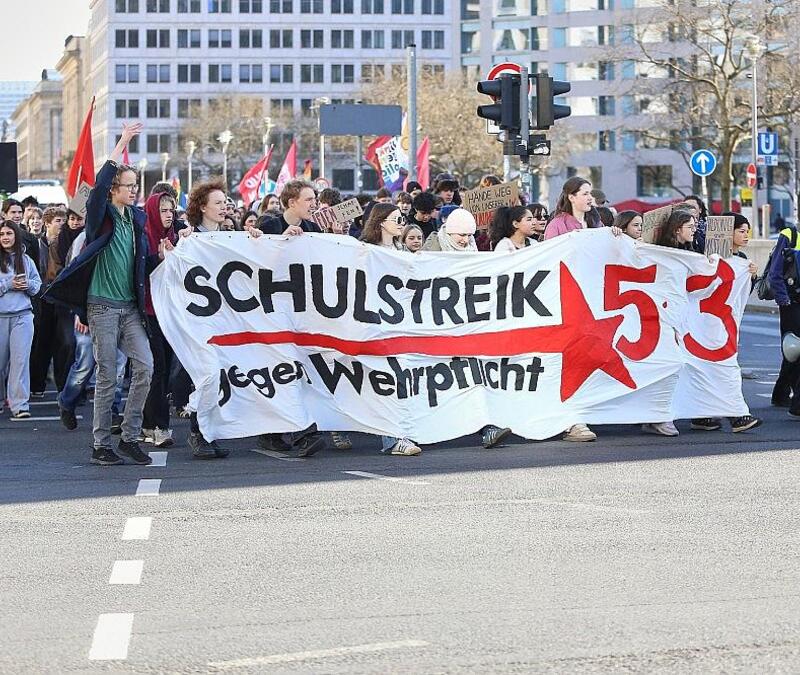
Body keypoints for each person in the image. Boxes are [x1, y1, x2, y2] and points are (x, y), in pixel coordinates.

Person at [43, 122, 157, 467]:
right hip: (102, 308)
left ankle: (130, 437)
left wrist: (161, 256)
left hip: (130, 308)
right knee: (106, 373)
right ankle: (100, 444)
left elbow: (143, 262)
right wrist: (121, 141)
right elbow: (96, 188)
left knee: (145, 367)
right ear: (113, 191)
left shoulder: (136, 219)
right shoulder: (101, 217)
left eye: (136, 186)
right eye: (128, 186)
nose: (134, 191)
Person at [141, 192, 179, 448]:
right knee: (158, 368)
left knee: (165, 370)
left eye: (171, 210)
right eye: (163, 210)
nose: (168, 215)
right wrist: (158, 258)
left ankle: (147, 421)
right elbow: (140, 271)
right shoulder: (143, 237)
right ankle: (159, 426)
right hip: (149, 312)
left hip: (171, 312)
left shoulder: (176, 236)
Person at [0, 221, 42, 419]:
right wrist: (8, 284)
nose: (6, 237)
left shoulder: (26, 260)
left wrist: (27, 285)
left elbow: (37, 284)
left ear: (16, 235)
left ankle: (19, 405)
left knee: (20, 360)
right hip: (1, 317)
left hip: (23, 316)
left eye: (9, 233)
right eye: (2, 234)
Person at [769, 218, 800, 410]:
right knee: (793, 349)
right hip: (792, 302)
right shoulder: (789, 235)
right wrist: (784, 300)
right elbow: (775, 271)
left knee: (795, 351)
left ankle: (781, 393)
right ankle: (793, 401)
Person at [257, 180, 322, 235]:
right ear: (292, 203)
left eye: (314, 199)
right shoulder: (268, 228)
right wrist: (283, 239)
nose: (314, 205)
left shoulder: (314, 229)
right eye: (308, 200)